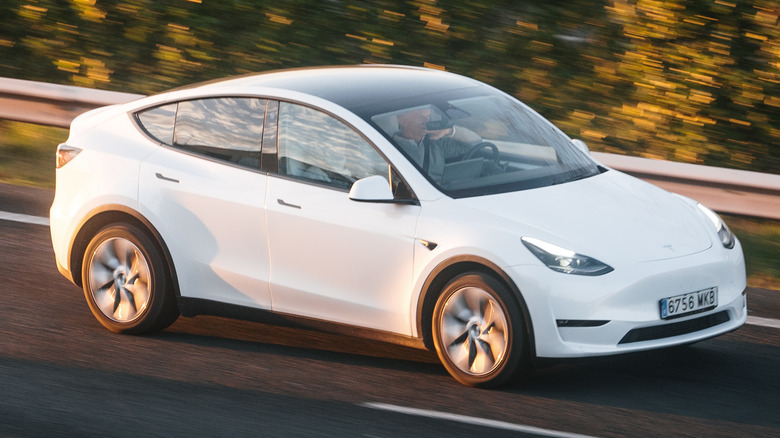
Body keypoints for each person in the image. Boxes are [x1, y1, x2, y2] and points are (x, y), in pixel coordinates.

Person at [393, 108, 482, 184]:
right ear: (402, 119)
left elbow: (475, 142)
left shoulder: (436, 141)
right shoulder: (390, 149)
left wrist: (449, 131)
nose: (426, 121)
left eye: (428, 116)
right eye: (420, 116)